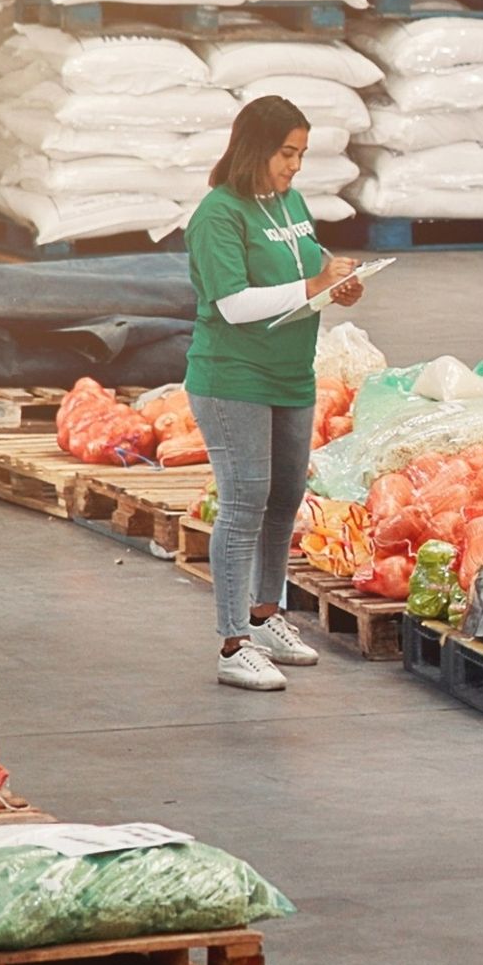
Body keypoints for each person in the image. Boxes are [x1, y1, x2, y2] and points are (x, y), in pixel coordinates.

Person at [185, 95, 363, 693]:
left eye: (301, 154)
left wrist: (336, 281)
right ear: (254, 148)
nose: (295, 167)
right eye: (287, 153)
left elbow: (304, 266)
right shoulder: (218, 214)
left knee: (285, 495)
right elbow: (234, 304)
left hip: (290, 373)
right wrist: (312, 282)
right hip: (233, 376)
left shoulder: (287, 201)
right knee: (244, 500)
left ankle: (266, 615)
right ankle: (233, 642)